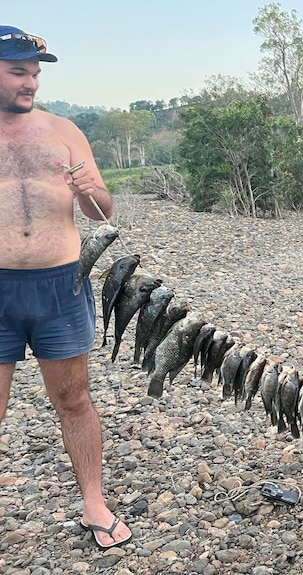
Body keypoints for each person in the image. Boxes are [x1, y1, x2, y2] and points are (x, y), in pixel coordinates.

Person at [0, 25, 132, 549]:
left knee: (74, 397)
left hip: (61, 282)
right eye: (17, 73)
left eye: (34, 74)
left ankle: (94, 504)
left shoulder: (64, 130)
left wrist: (89, 189)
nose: (30, 83)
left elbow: (102, 209)